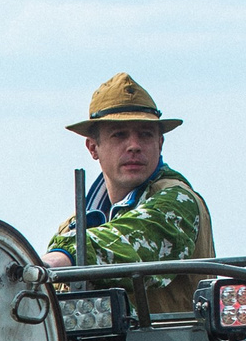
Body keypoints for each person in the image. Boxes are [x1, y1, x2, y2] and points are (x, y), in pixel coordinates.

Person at [40, 73, 215, 318]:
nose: (134, 145)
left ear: (160, 143)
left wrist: (56, 260)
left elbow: (134, 240)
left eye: (145, 134)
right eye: (119, 134)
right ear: (93, 147)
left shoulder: (178, 201)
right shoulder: (72, 227)